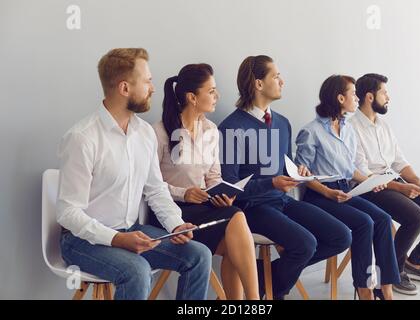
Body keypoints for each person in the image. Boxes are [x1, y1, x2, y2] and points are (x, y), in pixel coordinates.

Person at [57, 48, 211, 300]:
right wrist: (117, 239)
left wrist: (176, 223)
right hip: (82, 241)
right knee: (138, 271)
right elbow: (68, 213)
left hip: (129, 229)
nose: (152, 87)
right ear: (125, 88)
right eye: (147, 81)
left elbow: (155, 188)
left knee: (199, 255)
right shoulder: (82, 138)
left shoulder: (144, 133)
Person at [219, 55, 352, 299]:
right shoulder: (231, 127)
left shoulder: (282, 123)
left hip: (282, 201)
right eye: (276, 76)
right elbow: (230, 188)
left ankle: (259, 279)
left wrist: (298, 173)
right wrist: (271, 183)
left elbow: (284, 167)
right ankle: (273, 294)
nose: (282, 81)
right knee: (305, 244)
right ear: (259, 84)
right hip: (251, 208)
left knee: (341, 236)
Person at [150, 63, 259, 299]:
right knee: (236, 219)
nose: (217, 96)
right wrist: (183, 193)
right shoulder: (158, 133)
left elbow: (214, 177)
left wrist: (221, 194)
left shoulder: (211, 130)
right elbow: (149, 185)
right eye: (211, 91)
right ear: (192, 97)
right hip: (171, 214)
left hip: (203, 208)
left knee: (234, 217)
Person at [295, 74, 400, 300]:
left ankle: (386, 288)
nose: (356, 97)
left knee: (383, 220)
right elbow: (301, 175)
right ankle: (364, 290)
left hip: (345, 191)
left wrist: (371, 181)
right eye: (353, 94)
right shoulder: (311, 131)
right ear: (340, 98)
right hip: (320, 195)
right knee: (364, 222)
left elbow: (351, 169)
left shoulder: (348, 129)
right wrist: (327, 192)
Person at [350, 73, 420, 295]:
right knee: (415, 217)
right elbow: (363, 174)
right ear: (369, 96)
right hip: (370, 189)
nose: (388, 97)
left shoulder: (384, 126)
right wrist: (402, 187)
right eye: (384, 92)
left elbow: (399, 162)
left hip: (393, 182)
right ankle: (392, 273)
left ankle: (415, 261)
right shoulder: (351, 127)